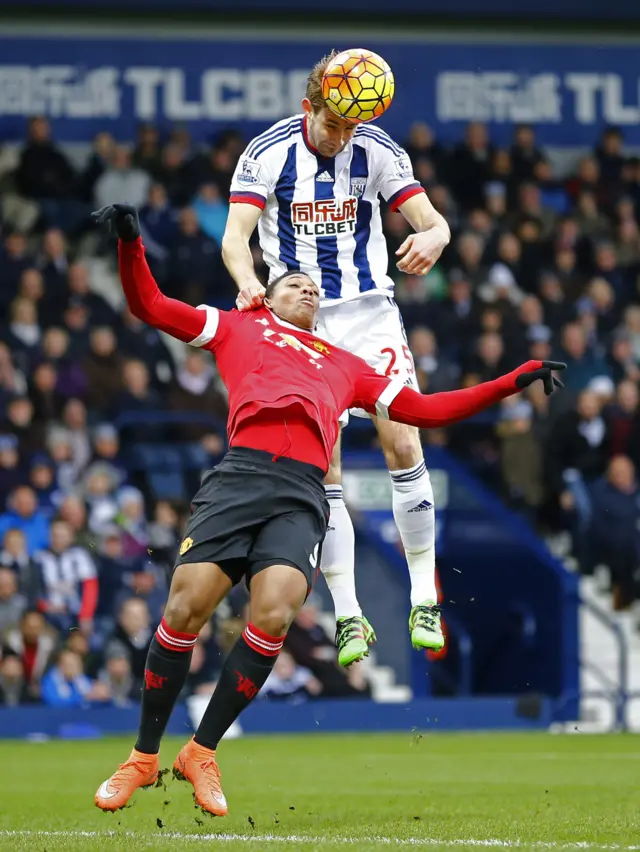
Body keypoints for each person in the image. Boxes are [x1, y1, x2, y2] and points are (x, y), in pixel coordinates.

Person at [90, 203, 564, 817]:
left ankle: (201, 752)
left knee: (277, 611)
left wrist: (513, 380)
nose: (308, 289)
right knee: (185, 606)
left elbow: (427, 411)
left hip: (301, 493)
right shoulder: (239, 326)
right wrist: (131, 243)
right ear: (265, 293)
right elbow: (149, 305)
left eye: (314, 286)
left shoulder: (348, 365)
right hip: (239, 479)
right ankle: (143, 757)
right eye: (294, 282)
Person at [221, 50, 453, 666]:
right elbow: (234, 238)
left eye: (353, 125)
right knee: (325, 468)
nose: (343, 135)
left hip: (367, 309)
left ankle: (423, 595)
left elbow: (432, 221)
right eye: (334, 125)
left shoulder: (376, 147)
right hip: (302, 320)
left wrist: (433, 235)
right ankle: (349, 613)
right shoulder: (267, 152)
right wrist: (248, 283)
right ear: (310, 107)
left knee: (403, 441)